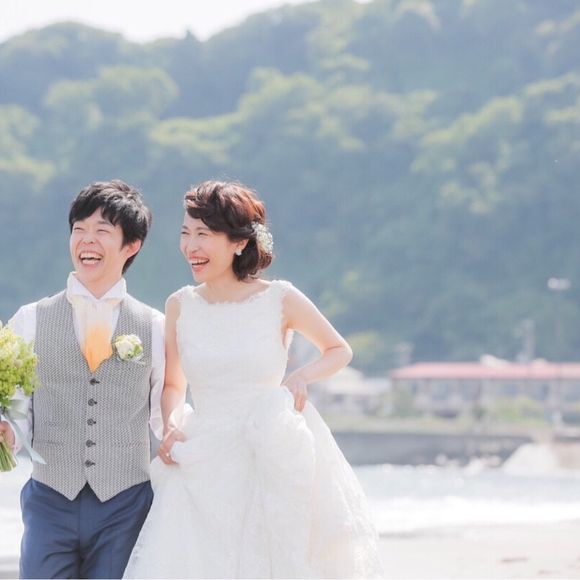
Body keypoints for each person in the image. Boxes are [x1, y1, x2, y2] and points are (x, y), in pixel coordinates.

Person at [123, 180, 383, 579]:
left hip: (268, 450)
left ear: (239, 242)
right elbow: (174, 385)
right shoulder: (180, 305)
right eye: (185, 233)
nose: (191, 246)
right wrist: (172, 423)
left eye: (204, 235)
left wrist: (300, 377)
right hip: (203, 455)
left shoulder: (280, 298)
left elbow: (338, 350)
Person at [0, 180, 165, 579]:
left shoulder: (156, 327)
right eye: (79, 229)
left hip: (125, 503)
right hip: (49, 498)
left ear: (131, 245)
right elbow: (19, 407)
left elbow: (165, 413)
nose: (87, 239)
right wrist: (8, 432)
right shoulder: (30, 319)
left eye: (102, 230)